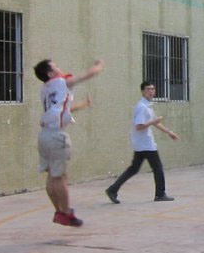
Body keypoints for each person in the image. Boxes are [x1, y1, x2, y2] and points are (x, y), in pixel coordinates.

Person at [34, 58, 104, 227]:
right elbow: (86, 75)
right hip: (56, 136)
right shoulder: (61, 82)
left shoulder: (45, 89)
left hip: (44, 136)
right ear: (50, 73)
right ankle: (66, 214)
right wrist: (99, 66)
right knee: (60, 176)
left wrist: (82, 105)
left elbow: (61, 109)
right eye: (55, 66)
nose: (59, 68)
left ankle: (59, 211)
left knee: (52, 175)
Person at [106, 81, 179, 203]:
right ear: (142, 91)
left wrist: (169, 132)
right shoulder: (142, 107)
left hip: (142, 144)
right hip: (146, 144)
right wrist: (153, 122)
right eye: (148, 89)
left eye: (153, 89)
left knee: (134, 169)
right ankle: (160, 194)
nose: (151, 91)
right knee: (158, 168)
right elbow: (139, 126)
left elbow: (155, 123)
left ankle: (112, 190)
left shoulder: (147, 106)